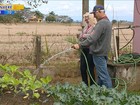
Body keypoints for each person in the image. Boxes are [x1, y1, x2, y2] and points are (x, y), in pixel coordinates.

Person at [72, 5, 112, 88]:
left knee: (104, 76)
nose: (94, 15)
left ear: (99, 11)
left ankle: (111, 95)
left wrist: (79, 45)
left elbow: (92, 39)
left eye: (94, 13)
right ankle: (100, 92)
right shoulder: (107, 22)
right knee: (101, 76)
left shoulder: (101, 24)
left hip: (99, 53)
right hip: (103, 52)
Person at [78, 12, 97, 86]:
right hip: (84, 49)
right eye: (85, 18)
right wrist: (82, 36)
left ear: (91, 18)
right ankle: (84, 85)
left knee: (90, 69)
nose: (86, 20)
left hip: (90, 50)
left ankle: (92, 85)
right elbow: (81, 35)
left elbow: (92, 36)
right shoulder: (86, 27)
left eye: (87, 18)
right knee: (82, 68)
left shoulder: (95, 27)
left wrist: (83, 35)